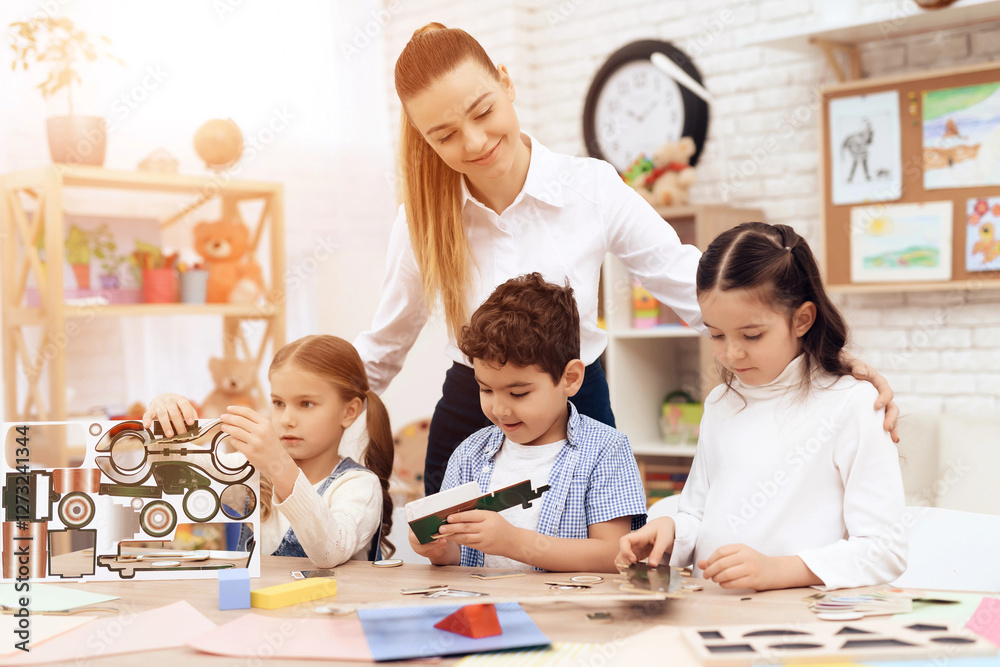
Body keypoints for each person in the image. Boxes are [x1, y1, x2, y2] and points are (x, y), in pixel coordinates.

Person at [354, 22, 901, 496]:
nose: (474, 142)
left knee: (594, 563)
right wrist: (320, 408)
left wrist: (826, 358)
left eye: (483, 111)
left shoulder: (590, 188)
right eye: (445, 135)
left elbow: (689, 281)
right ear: (424, 139)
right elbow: (384, 346)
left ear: (506, 82)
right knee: (458, 567)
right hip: (472, 413)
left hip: (577, 403)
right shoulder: (422, 222)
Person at [616, 222, 908, 591]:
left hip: (799, 616)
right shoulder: (720, 403)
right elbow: (699, 514)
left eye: (752, 335)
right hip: (714, 610)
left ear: (802, 319)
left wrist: (777, 570)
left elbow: (884, 549)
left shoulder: (853, 404)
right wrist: (671, 530)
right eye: (716, 334)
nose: (731, 353)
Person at [408, 273, 647, 572]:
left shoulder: (605, 450)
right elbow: (458, 558)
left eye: (518, 393)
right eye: (486, 390)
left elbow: (614, 556)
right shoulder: (469, 454)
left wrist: (514, 542)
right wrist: (438, 549)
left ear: (570, 378)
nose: (500, 409)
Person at [143, 335, 394, 568]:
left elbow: (329, 552)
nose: (286, 419)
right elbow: (171, 470)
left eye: (306, 403)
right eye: (278, 403)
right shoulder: (252, 471)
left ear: (349, 412)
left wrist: (278, 465)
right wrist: (161, 419)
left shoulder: (359, 485)